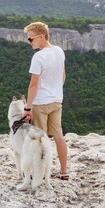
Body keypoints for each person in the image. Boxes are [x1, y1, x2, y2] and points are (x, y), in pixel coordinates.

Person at [22, 22, 69, 180]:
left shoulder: (38, 57)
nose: (29, 42)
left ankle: (39, 175)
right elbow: (63, 76)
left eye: (31, 39)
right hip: (56, 101)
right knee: (58, 136)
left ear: (41, 36)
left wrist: (28, 108)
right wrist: (54, 91)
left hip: (41, 103)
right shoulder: (59, 51)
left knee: (40, 140)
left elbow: (33, 85)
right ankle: (64, 171)